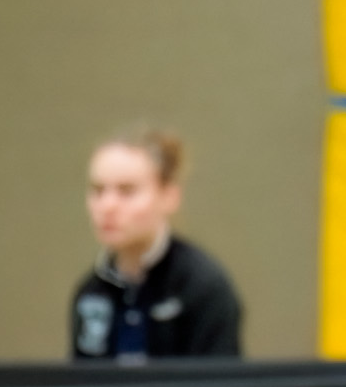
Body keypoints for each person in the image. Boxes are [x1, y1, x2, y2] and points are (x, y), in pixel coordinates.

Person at [71, 126, 242, 361]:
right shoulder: (91, 292)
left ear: (169, 196)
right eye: (98, 190)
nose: (107, 206)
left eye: (127, 191)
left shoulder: (203, 287)